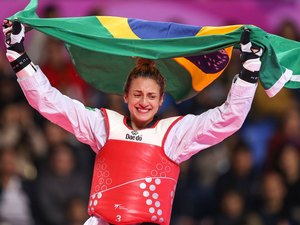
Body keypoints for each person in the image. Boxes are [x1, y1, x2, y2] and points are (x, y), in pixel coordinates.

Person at [2, 19, 263, 225]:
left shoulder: (173, 133)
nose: (143, 102)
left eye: (151, 96)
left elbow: (229, 117)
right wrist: (17, 53)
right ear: (125, 96)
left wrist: (250, 71)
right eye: (137, 94)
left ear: (161, 101)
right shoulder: (104, 125)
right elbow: (50, 102)